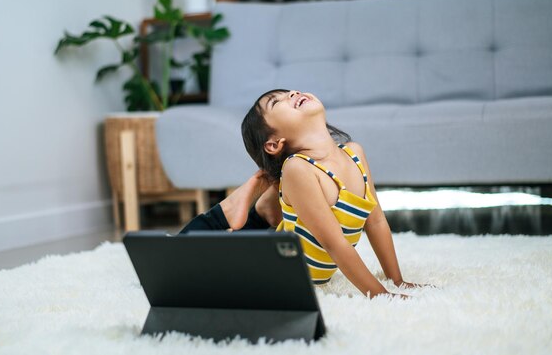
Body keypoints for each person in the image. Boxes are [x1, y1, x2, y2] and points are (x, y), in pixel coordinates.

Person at [180, 89, 428, 298]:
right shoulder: (298, 168)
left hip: (284, 236)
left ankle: (265, 204)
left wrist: (396, 280)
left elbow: (375, 221)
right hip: (269, 269)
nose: (292, 94)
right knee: (182, 260)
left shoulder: (355, 153)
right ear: (274, 143)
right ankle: (235, 204)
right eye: (277, 102)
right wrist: (380, 295)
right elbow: (334, 243)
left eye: (290, 91)